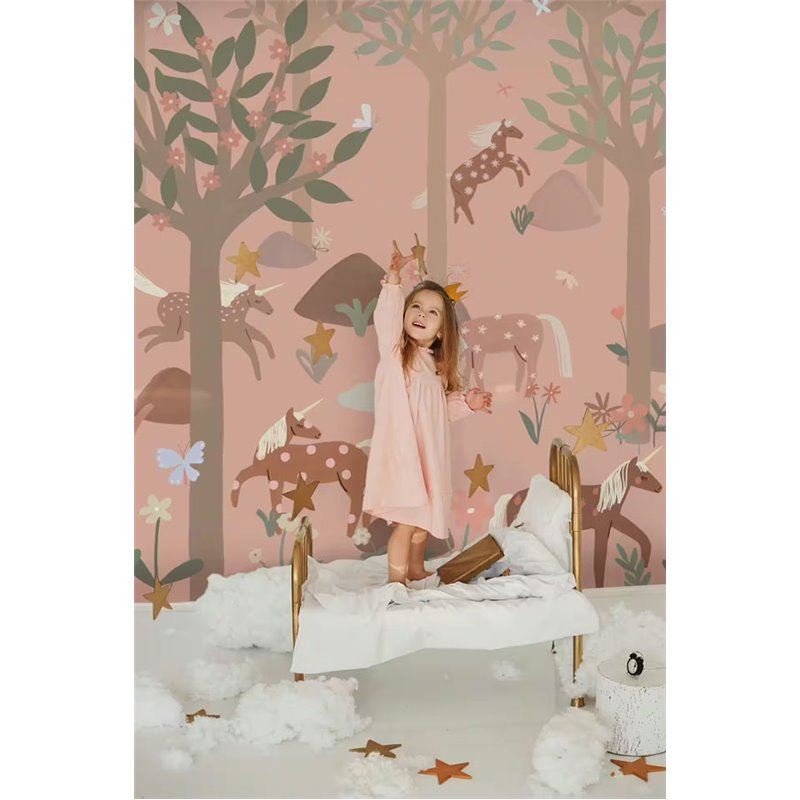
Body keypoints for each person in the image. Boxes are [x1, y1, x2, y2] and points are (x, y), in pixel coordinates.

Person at [363, 240, 493, 584]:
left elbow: (440, 411)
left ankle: (416, 569)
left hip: (430, 456)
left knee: (423, 521)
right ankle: (395, 581)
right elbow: (387, 316)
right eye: (416, 307)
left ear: (441, 331)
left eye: (433, 312)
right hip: (405, 453)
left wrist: (468, 403)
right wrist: (394, 279)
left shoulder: (435, 369)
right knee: (408, 521)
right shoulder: (395, 353)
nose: (421, 314)